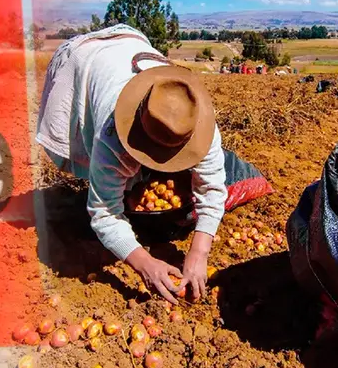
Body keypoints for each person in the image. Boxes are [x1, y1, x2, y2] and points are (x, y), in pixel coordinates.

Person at [36, 24, 227, 303]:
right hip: (85, 60)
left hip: (129, 44)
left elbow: (212, 188)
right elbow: (104, 213)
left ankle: (121, 182)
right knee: (102, 177)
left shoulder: (196, 123)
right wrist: (144, 263)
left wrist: (199, 251)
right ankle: (111, 183)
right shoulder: (110, 135)